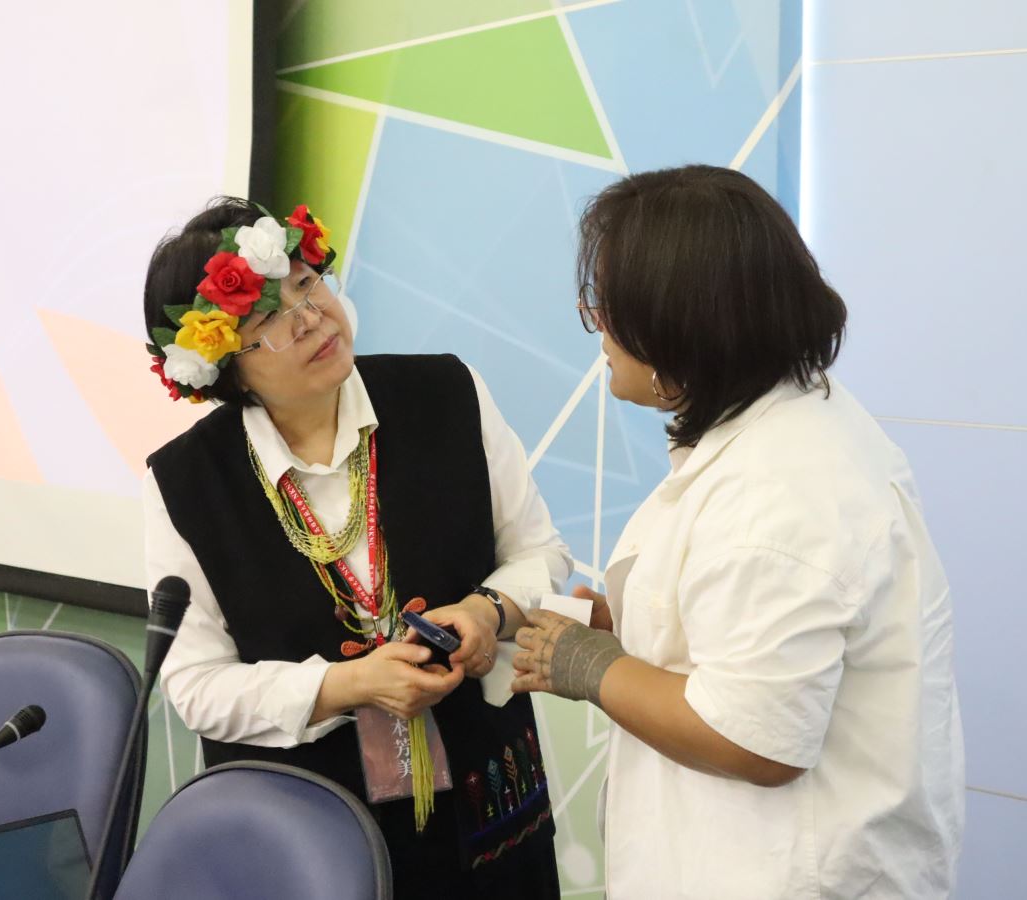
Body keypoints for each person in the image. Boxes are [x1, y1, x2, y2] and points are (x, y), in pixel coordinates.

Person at [511, 165, 964, 898]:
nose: (597, 326)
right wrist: (621, 631)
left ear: (678, 324)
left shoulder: (778, 494)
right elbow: (743, 627)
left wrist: (594, 667)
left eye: (608, 306)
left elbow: (758, 739)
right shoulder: (783, 424)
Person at [141, 197, 569, 898]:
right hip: (312, 847)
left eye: (308, 284)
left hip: (488, 817)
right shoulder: (187, 483)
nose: (310, 318)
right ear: (223, 366)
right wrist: (348, 685)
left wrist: (487, 611)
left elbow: (541, 554)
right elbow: (197, 686)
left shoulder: (446, 392)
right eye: (267, 319)